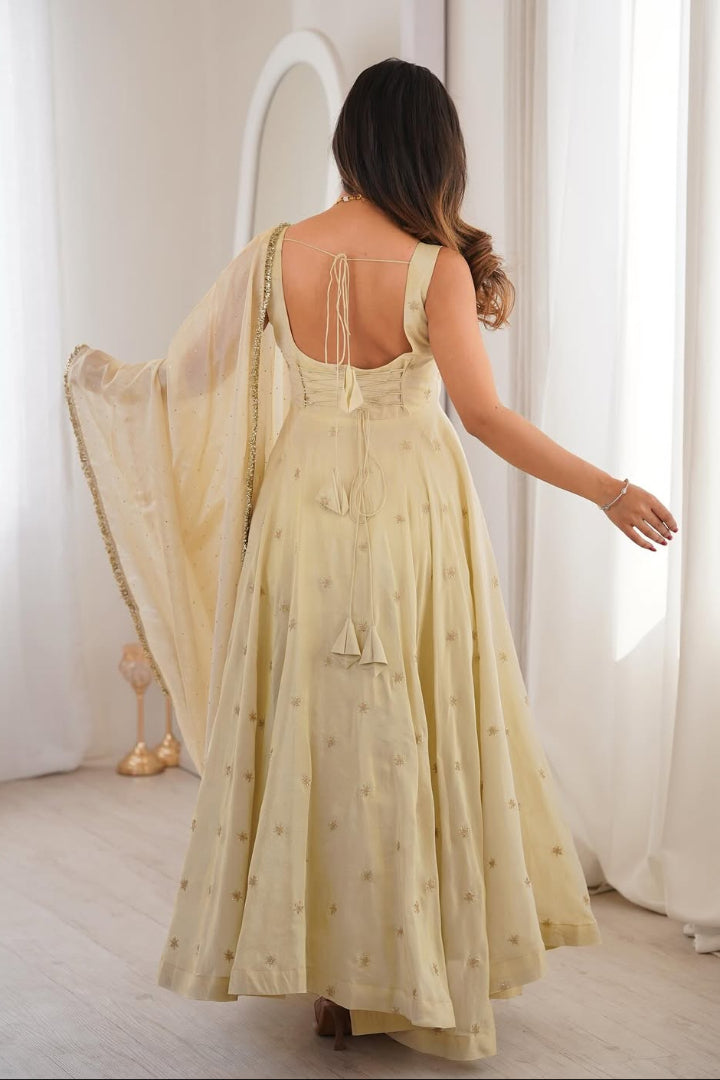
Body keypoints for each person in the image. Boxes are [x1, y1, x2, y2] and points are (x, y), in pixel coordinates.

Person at [64, 57, 678, 1063]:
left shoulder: (274, 256)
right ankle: (410, 961)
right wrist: (607, 490)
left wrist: (100, 380)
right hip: (412, 520)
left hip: (304, 515)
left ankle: (338, 976)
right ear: (434, 152)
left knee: (320, 725)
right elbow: (483, 417)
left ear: (350, 143)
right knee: (411, 724)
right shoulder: (432, 266)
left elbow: (187, 377)